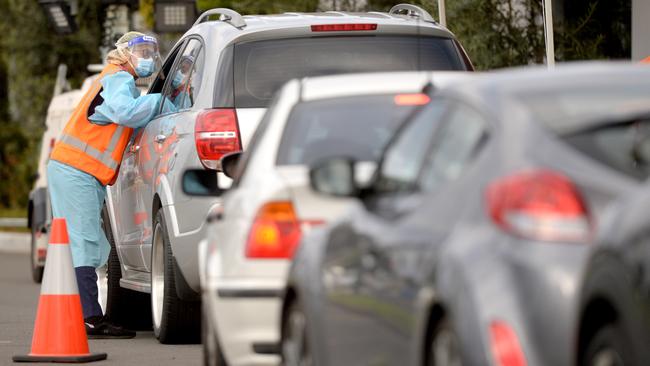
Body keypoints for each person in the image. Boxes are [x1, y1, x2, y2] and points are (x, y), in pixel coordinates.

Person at [47, 31, 165, 339]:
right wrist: (164, 99)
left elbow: (128, 117)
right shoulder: (117, 79)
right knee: (85, 242)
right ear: (124, 54)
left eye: (151, 50)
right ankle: (90, 319)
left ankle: (86, 314)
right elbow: (125, 112)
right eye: (140, 50)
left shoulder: (113, 81)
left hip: (75, 170)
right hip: (76, 170)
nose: (147, 57)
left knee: (91, 243)